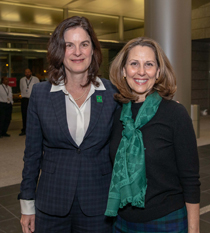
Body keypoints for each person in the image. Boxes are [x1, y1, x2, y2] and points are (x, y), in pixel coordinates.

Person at [18, 16, 118, 233]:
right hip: (52, 202)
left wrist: (163, 107)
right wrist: (27, 205)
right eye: (69, 45)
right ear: (59, 51)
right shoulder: (41, 94)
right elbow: (32, 154)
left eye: (84, 44)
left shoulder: (111, 93)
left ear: (93, 49)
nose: (77, 52)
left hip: (98, 203)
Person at [105, 37, 200, 233]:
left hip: (166, 222)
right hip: (122, 222)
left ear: (158, 72)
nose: (141, 71)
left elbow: (190, 178)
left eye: (149, 64)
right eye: (134, 64)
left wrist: (194, 228)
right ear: (123, 71)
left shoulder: (175, 114)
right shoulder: (116, 114)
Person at [19, 68, 39, 136]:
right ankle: (24, 129)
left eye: (28, 72)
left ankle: (33, 130)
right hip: (24, 99)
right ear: (25, 73)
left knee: (33, 115)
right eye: (26, 72)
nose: (27, 73)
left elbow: (38, 89)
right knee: (24, 115)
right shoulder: (22, 80)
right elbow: (21, 88)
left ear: (31, 72)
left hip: (33, 99)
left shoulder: (35, 79)